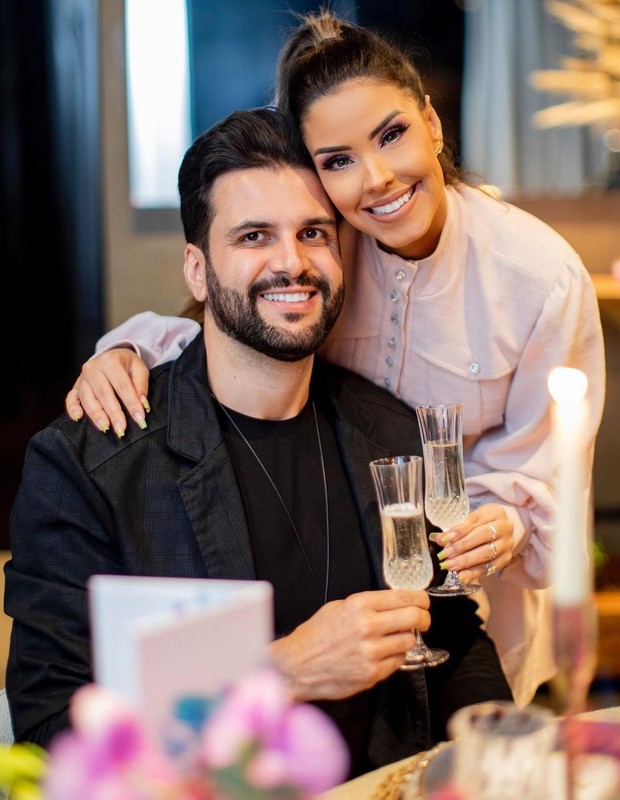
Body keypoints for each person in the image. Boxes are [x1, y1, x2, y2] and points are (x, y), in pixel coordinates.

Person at [64, 11, 606, 706]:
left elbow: (551, 475)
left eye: (392, 134)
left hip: (474, 612)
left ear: (432, 122)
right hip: (324, 604)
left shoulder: (540, 279)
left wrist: (512, 519)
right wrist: (128, 349)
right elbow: (231, 316)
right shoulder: (325, 243)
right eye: (338, 161)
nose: (376, 180)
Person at [5, 107, 512, 776]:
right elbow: (50, 732)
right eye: (253, 236)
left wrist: (508, 757)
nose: (292, 263)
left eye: (313, 233)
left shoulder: (389, 430)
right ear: (197, 270)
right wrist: (280, 672)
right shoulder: (88, 467)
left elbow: (452, 636)